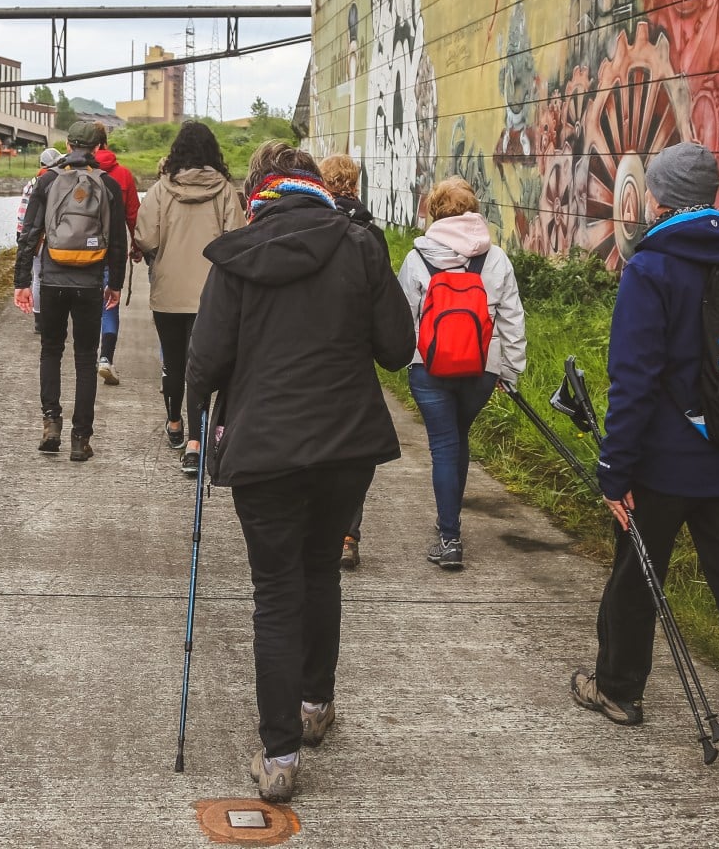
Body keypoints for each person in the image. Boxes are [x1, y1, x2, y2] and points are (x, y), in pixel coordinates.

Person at [570, 142, 719, 817]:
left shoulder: (652, 267)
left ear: (661, 197)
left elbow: (634, 378)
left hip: (664, 465)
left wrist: (615, 468)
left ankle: (619, 689)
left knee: (637, 573)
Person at [187, 141, 414, 804]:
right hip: (346, 448)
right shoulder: (360, 245)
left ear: (257, 191)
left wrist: (198, 424)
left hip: (263, 451)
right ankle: (316, 705)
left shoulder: (234, 257)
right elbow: (398, 349)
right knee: (319, 570)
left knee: (276, 593)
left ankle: (280, 754)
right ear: (315, 185)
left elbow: (205, 362)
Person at [395, 177, 526, 570]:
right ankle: (449, 526)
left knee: (444, 445)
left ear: (434, 212)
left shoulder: (418, 258)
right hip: (482, 367)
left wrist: (407, 358)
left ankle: (449, 537)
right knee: (458, 437)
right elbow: (512, 320)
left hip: (430, 367)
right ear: (474, 210)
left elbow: (404, 318)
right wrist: (511, 371)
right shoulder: (496, 257)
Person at [135, 121, 243, 476]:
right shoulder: (226, 191)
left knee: (174, 361)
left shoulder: (160, 191)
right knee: (201, 365)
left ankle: (175, 423)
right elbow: (237, 240)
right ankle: (197, 445)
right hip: (211, 295)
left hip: (168, 291)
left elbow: (146, 239)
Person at [14, 122, 127, 462]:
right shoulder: (106, 184)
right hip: (90, 280)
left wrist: (21, 282)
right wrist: (116, 283)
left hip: (52, 279)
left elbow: (30, 234)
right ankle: (81, 438)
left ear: (67, 144)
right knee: (84, 359)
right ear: (96, 148)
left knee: (50, 350)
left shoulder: (47, 180)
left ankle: (51, 424)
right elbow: (118, 242)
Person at [319, 153, 384, 569]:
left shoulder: (314, 227)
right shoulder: (371, 234)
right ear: (356, 184)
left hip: (314, 350)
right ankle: (346, 533)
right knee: (352, 449)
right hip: (355, 354)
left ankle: (315, 528)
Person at [90, 129, 140, 384]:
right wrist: (138, 246)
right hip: (112, 250)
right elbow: (133, 215)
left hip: (79, 253)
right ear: (105, 143)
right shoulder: (123, 175)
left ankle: (87, 358)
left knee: (86, 306)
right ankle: (105, 359)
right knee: (110, 304)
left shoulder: (75, 172)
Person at [15, 146, 65, 333]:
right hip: (50, 237)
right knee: (50, 276)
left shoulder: (32, 182)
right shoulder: (57, 181)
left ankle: (38, 319)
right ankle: (51, 317)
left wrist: (22, 238)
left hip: (32, 239)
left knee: (37, 277)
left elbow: (22, 215)